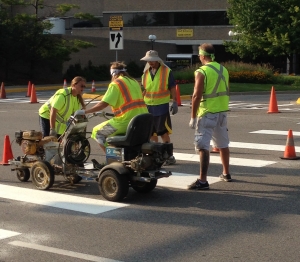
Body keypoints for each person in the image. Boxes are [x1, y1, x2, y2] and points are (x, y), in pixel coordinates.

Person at [75, 61, 148, 153]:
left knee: (97, 132)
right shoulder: (134, 81)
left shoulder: (116, 84)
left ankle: (114, 158)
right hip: (142, 119)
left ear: (113, 73)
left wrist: (85, 112)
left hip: (126, 121)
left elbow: (103, 104)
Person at [188, 43, 231, 190]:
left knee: (202, 146)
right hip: (222, 112)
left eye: (199, 55)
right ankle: (226, 173)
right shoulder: (223, 69)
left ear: (202, 55)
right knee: (223, 144)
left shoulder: (202, 71)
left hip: (207, 113)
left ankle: (203, 180)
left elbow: (196, 95)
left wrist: (193, 116)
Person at [140, 50, 178, 165]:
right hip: (148, 106)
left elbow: (172, 87)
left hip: (161, 105)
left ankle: (169, 156)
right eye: (148, 60)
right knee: (151, 132)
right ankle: (155, 154)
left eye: (152, 60)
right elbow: (144, 89)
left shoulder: (166, 71)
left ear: (157, 60)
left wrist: (174, 101)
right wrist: (140, 103)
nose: (150, 62)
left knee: (162, 131)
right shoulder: (146, 72)